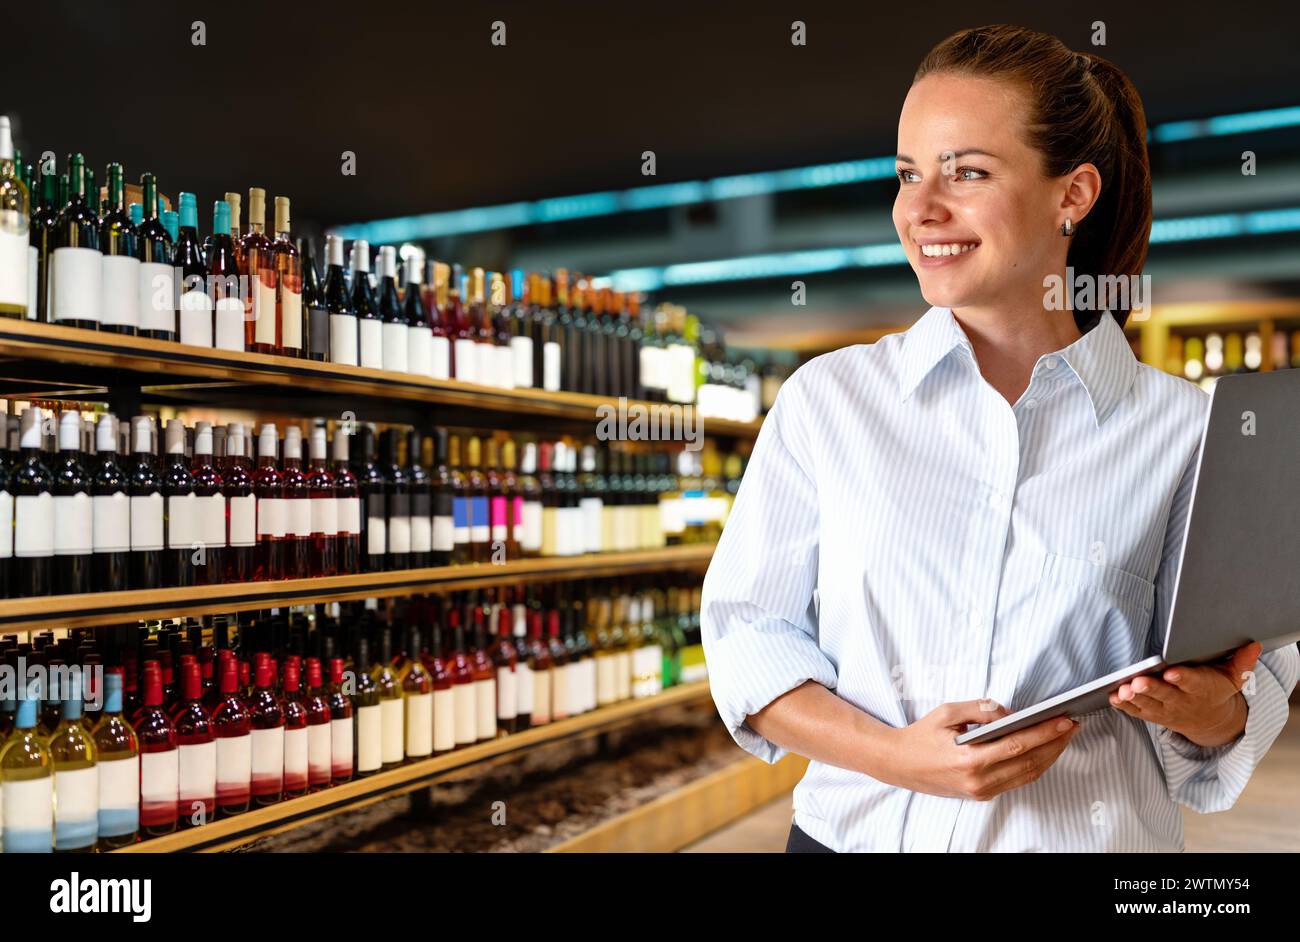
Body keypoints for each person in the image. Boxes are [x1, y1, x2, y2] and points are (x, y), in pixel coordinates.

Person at [700, 24, 1299, 852]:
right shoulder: (828, 403)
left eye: (967, 172)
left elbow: (1242, 696)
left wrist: (1212, 712)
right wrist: (896, 757)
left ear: (1073, 195)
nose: (921, 209)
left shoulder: (1190, 433)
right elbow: (749, 640)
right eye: (909, 173)